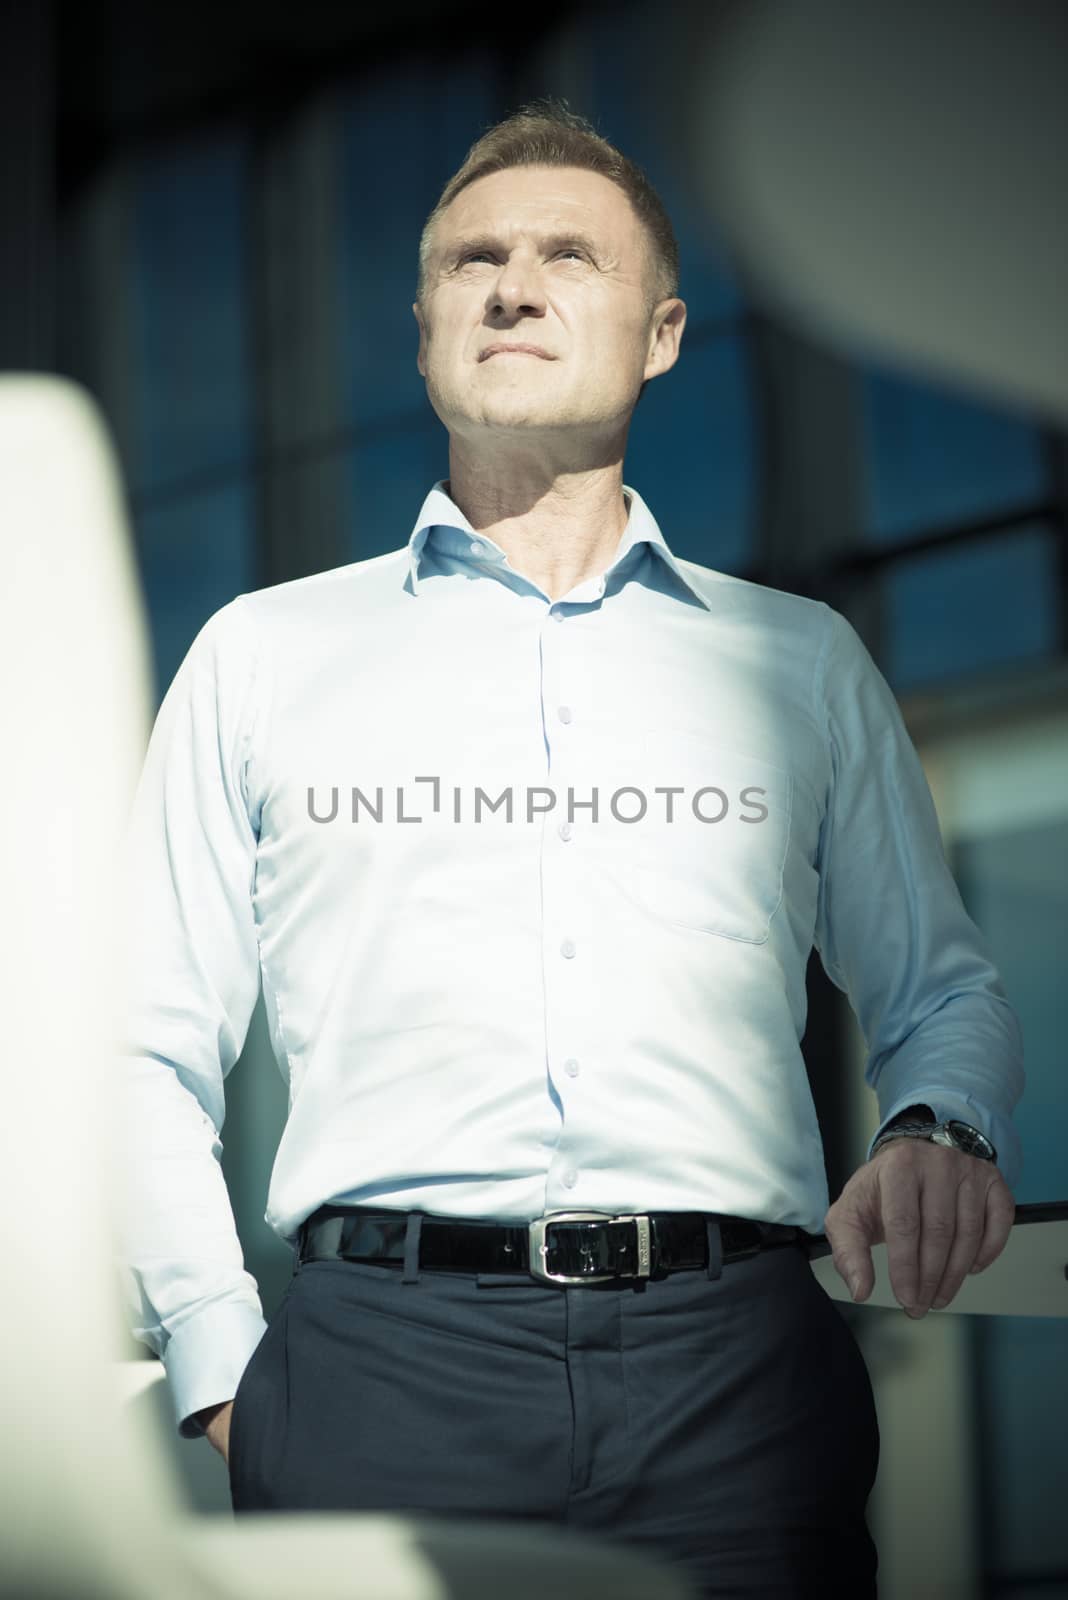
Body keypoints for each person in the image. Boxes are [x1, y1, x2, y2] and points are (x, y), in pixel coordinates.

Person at [117, 99, 1023, 1598]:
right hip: (375, 1378)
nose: (514, 285)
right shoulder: (261, 657)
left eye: (565, 257)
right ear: (423, 333)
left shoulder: (798, 664)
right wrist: (226, 1366)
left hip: (739, 1375)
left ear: (663, 336)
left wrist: (938, 1128)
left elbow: (945, 994)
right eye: (472, 260)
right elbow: (143, 1047)